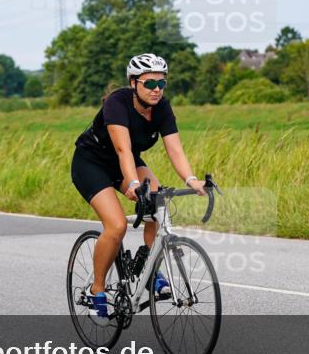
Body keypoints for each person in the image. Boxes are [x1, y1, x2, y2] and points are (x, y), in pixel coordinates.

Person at [71, 53, 207, 325]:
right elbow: (122, 149)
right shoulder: (117, 103)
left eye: (162, 84)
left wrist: (192, 180)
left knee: (158, 201)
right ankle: (97, 290)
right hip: (93, 163)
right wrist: (133, 183)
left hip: (130, 162)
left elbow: (175, 148)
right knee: (117, 225)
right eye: (150, 84)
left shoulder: (162, 107)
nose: (157, 90)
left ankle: (148, 269)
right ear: (134, 83)